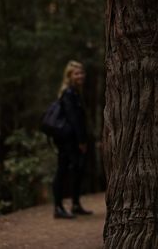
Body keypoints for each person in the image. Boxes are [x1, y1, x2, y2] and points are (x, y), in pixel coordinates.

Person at [53, 60, 93, 219]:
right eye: (77, 73)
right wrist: (81, 141)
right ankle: (58, 207)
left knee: (77, 170)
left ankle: (75, 204)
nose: (80, 76)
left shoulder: (76, 93)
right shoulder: (68, 93)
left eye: (82, 73)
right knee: (62, 171)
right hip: (67, 140)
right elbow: (73, 119)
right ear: (69, 76)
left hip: (72, 139)